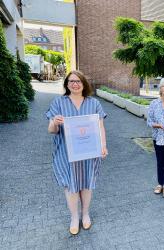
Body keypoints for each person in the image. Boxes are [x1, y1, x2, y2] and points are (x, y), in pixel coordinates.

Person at [46, 70, 108, 235]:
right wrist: (55, 123)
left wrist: (103, 145)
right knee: (71, 186)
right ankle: (74, 217)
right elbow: (51, 130)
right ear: (67, 84)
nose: (75, 84)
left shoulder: (93, 103)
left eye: (78, 81)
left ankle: (85, 214)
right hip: (67, 154)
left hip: (89, 152)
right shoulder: (59, 103)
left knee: (87, 184)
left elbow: (100, 126)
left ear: (83, 84)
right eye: (71, 81)